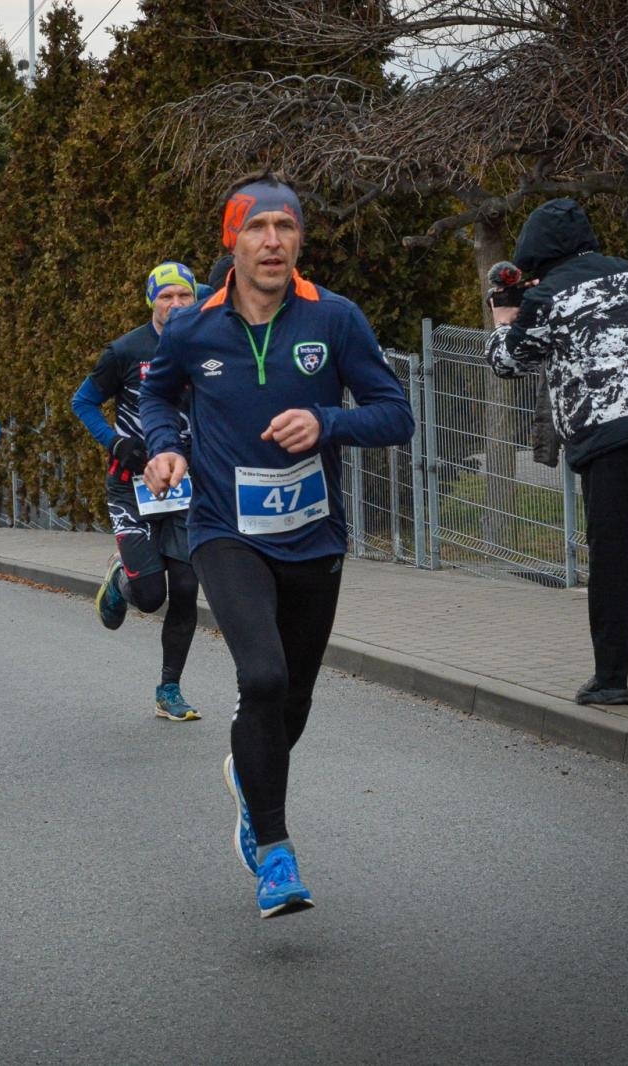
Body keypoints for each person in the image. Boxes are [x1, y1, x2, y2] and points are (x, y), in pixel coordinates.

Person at [141, 174, 415, 918]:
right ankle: (275, 853)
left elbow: (396, 415)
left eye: (284, 228)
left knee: (291, 699)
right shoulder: (193, 327)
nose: (272, 240)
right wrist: (164, 448)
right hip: (226, 530)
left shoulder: (336, 319)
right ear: (231, 240)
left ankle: (250, 772)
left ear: (299, 240)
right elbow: (158, 395)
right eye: (256, 227)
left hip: (313, 535)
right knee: (260, 677)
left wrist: (327, 423)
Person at [483, 197, 628, 706]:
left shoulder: (545, 298)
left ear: (535, 248)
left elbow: (509, 363)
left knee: (610, 555)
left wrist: (504, 317)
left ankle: (612, 679)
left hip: (606, 438)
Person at [72, 260, 203, 722]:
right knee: (150, 595)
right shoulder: (127, 350)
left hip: (186, 487)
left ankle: (169, 689)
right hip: (132, 486)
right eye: (165, 297)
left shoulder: (208, 345)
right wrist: (117, 442)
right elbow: (83, 401)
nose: (175, 305)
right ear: (152, 301)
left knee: (185, 588)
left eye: (183, 296)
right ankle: (120, 578)